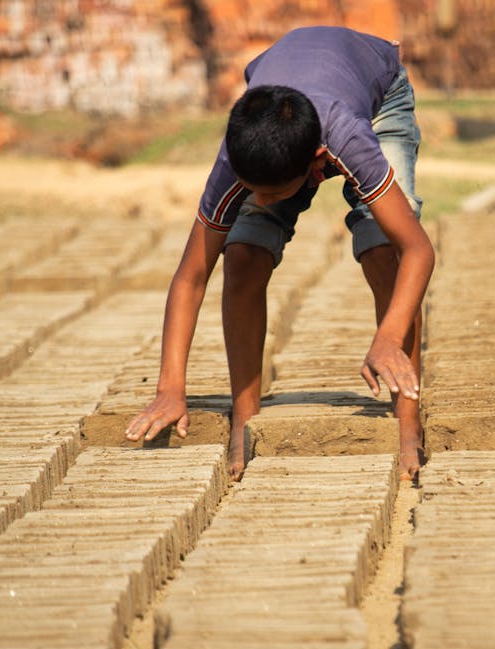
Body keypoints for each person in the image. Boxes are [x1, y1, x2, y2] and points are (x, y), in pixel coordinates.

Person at [126, 26, 435, 480]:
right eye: (256, 192)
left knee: (384, 250)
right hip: (287, 104)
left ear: (315, 163)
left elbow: (418, 251)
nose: (264, 201)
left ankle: (407, 424)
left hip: (376, 92)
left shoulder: (349, 141)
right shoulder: (236, 163)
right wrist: (171, 388)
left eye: (276, 194)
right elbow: (191, 278)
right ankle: (244, 419)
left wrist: (388, 336)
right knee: (244, 254)